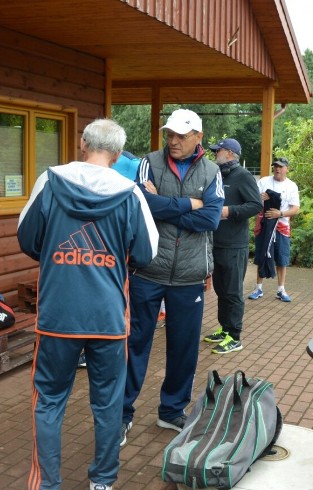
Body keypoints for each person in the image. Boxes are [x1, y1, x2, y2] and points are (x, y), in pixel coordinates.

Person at [12, 119, 158, 490]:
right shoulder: (131, 194)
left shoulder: (50, 181)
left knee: (48, 401)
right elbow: (146, 253)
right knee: (108, 403)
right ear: (117, 153)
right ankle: (101, 486)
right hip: (108, 318)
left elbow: (27, 237)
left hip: (57, 315)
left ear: (82, 144)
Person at [123, 108, 224, 445]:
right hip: (147, 270)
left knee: (183, 348)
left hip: (190, 275)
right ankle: (122, 412)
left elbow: (211, 219)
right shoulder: (147, 163)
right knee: (136, 343)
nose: (173, 140)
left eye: (181, 135)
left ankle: (171, 411)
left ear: (199, 136)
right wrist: (188, 204)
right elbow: (140, 205)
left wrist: (163, 204)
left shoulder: (211, 171)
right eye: (170, 134)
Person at [202, 138, 263, 354]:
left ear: (229, 153)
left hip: (234, 246)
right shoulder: (219, 175)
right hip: (216, 242)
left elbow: (256, 205)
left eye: (217, 151)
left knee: (233, 292)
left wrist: (229, 212)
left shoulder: (243, 176)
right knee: (221, 289)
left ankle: (235, 337)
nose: (214, 154)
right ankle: (225, 328)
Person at [248, 157, 300, 302]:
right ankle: (258, 288)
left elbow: (295, 209)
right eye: (275, 166)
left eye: (281, 166)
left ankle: (281, 290)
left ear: (287, 169)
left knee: (282, 259)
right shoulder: (264, 181)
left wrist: (280, 214)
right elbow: (253, 200)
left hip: (282, 227)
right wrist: (261, 198)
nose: (277, 169)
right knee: (261, 255)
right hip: (265, 226)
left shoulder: (291, 186)